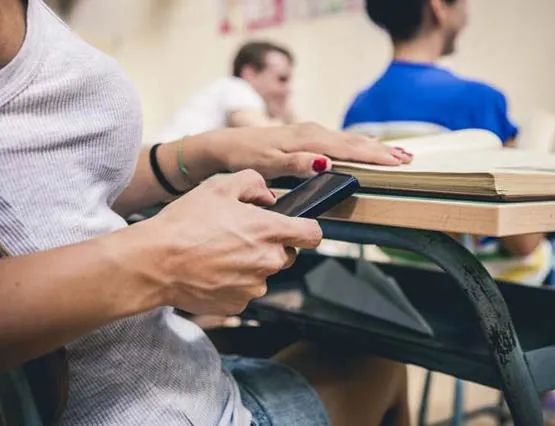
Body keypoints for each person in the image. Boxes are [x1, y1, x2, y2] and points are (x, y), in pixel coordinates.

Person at [0, 0, 414, 424]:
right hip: (143, 406)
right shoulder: (236, 92)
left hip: (157, 369)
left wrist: (200, 152)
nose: (286, 87)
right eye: (281, 78)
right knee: (379, 358)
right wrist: (160, 262)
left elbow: (48, 182)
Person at [343, 0, 555, 420]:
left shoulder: (357, 110)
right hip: (493, 290)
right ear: (438, 8)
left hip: (410, 285)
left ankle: (535, 388)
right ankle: (542, 391)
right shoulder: (477, 100)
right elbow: (521, 243)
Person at [156, 41, 296, 142]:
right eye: (282, 79)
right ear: (250, 74)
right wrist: (286, 115)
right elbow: (267, 135)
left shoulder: (226, 89)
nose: (288, 89)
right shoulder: (237, 88)